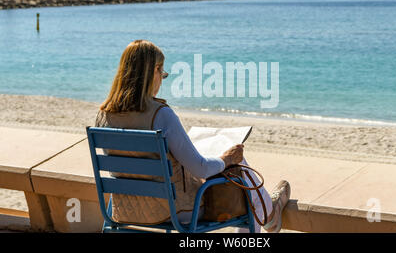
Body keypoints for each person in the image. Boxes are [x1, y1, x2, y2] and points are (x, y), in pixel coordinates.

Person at [95, 40, 290, 233]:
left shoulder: (103, 115)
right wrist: (228, 158)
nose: (162, 79)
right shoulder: (160, 114)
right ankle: (270, 215)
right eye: (161, 73)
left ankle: (270, 213)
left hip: (124, 209)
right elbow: (201, 169)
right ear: (153, 71)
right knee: (239, 170)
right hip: (178, 211)